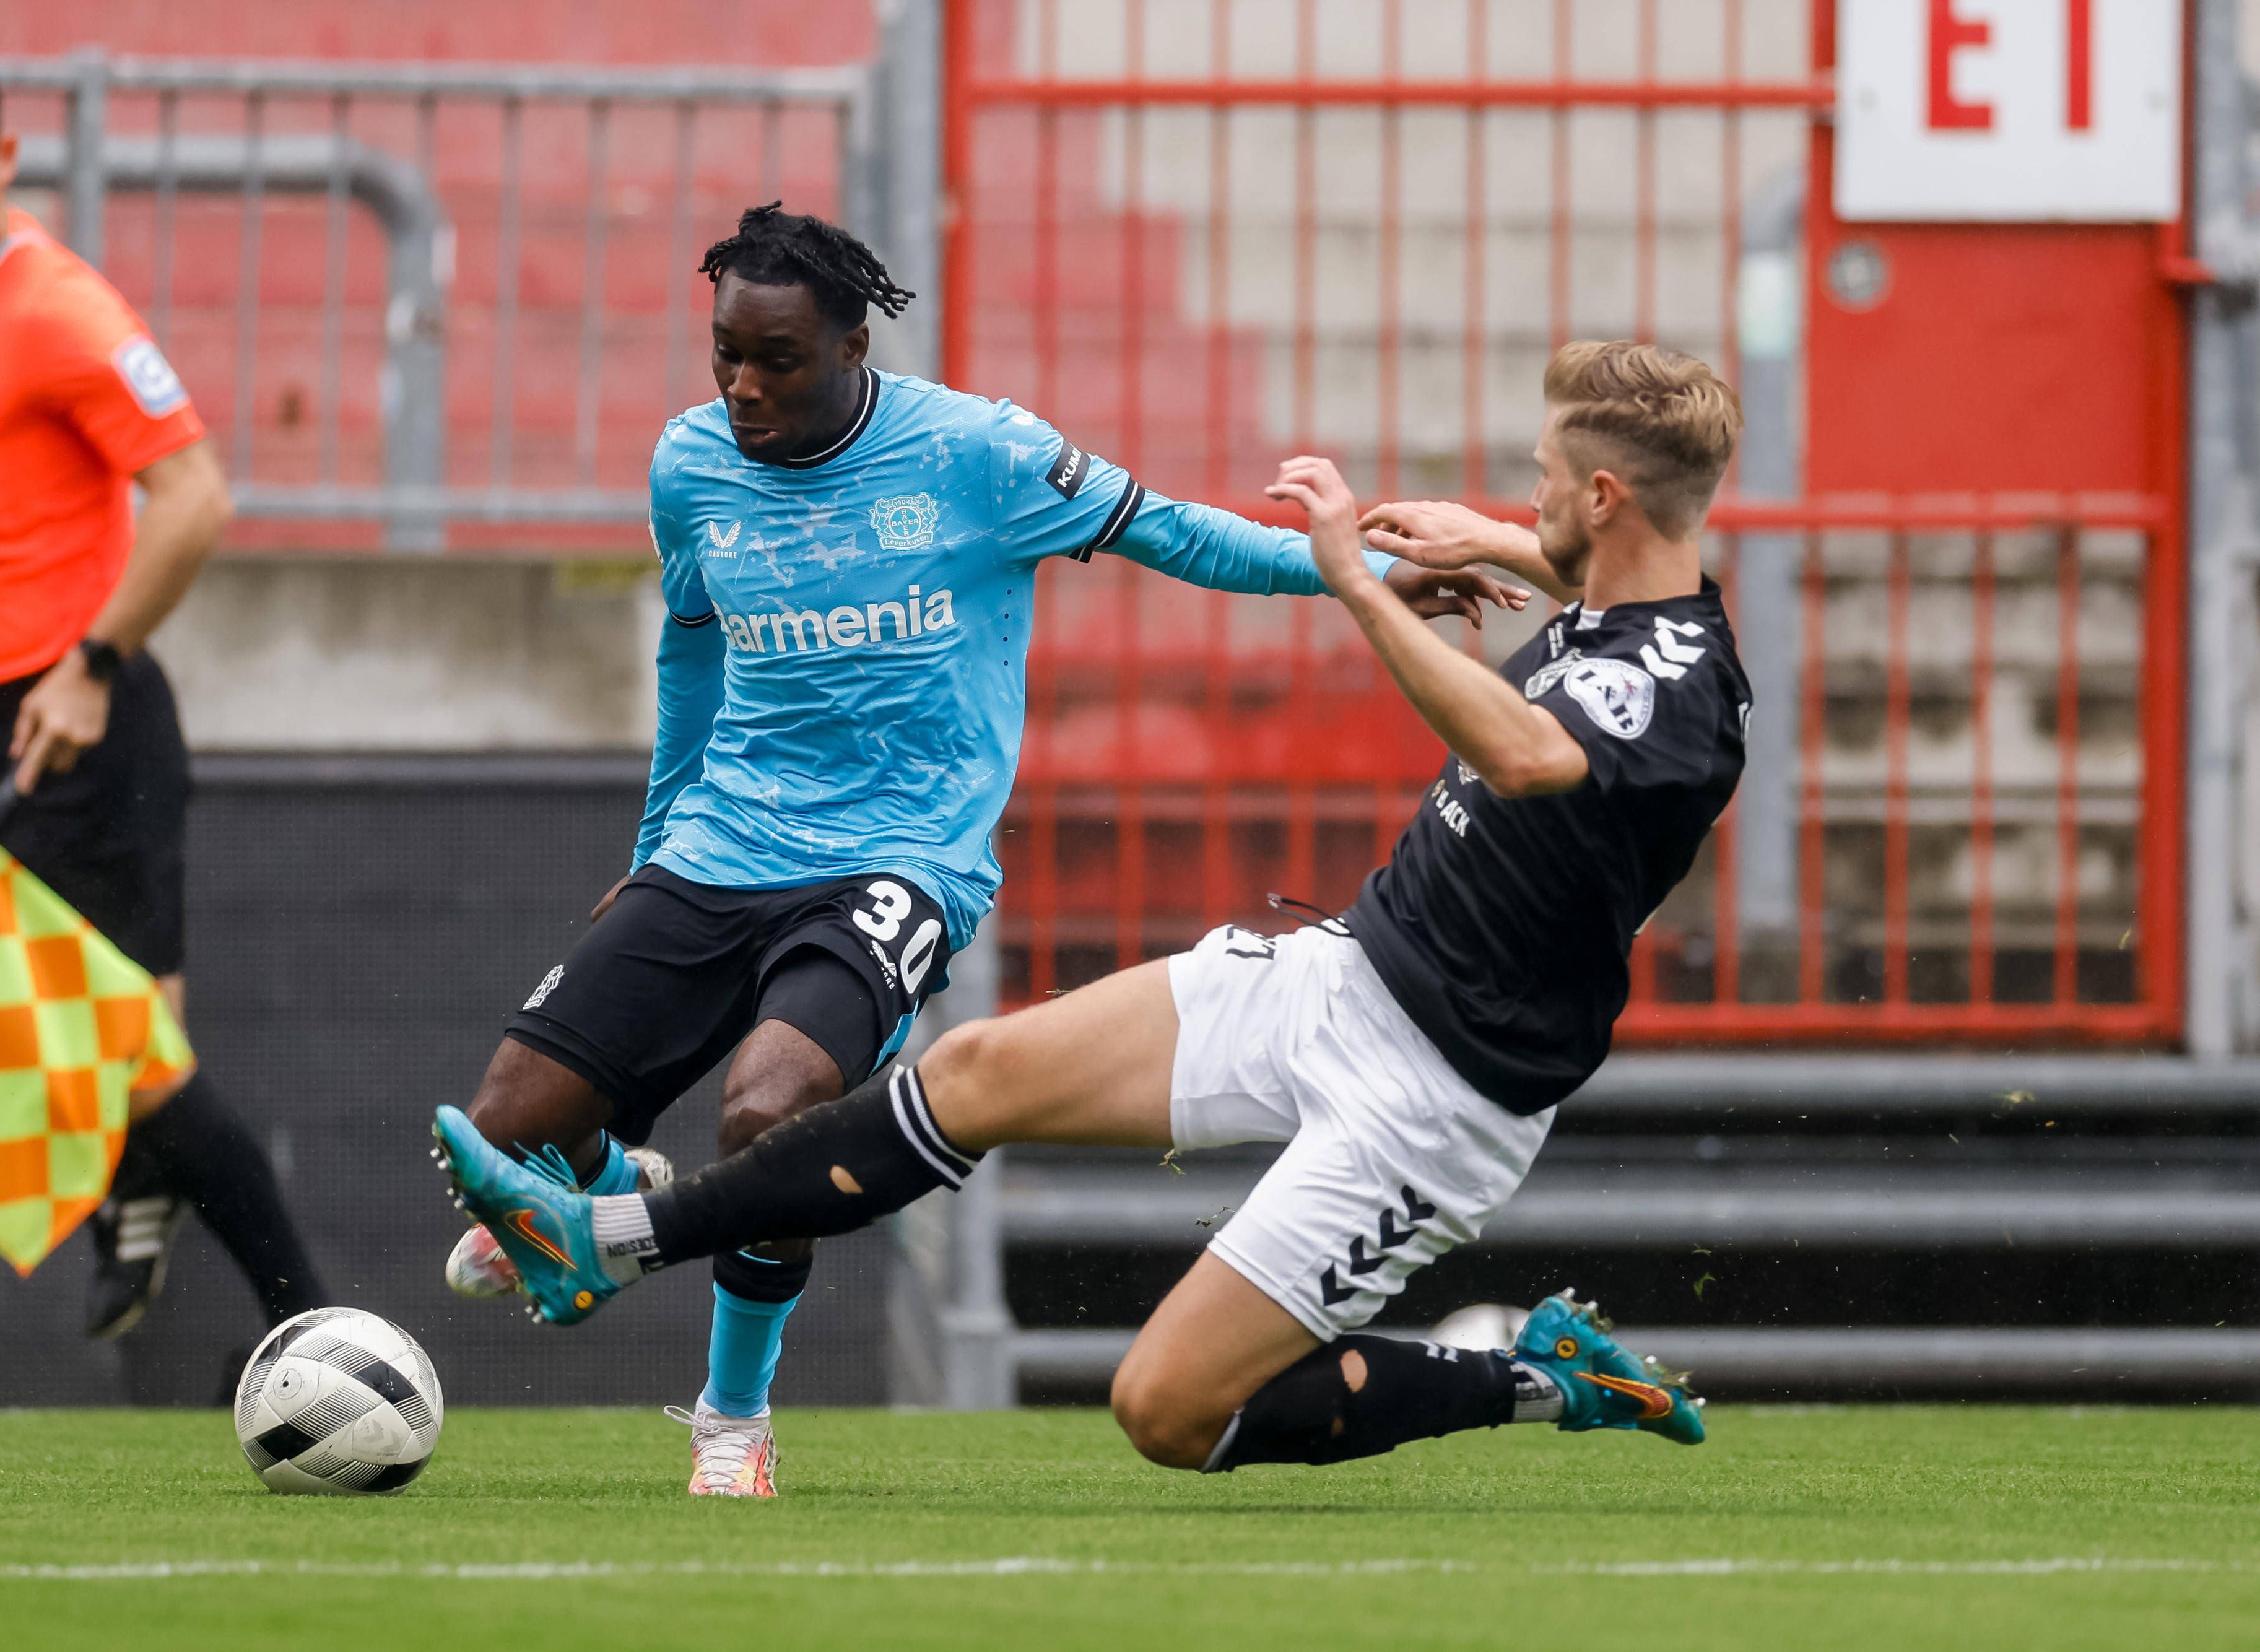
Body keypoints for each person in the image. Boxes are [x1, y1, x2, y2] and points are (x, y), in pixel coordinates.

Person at [435, 339, 1750, 1473]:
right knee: (982, 1066)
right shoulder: (1641, 596)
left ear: (1601, 491)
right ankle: (604, 1237)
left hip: (1442, 1093)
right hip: (1346, 973)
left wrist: (1353, 580)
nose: (1518, 496)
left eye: (1537, 480)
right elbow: (1609, 588)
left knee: (1167, 1409)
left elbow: (1527, 754)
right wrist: (1505, 539)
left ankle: (1528, 1375)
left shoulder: (1672, 695)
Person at [0, 45, 328, 1346]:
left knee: (148, 1069)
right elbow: (14, 517)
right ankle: (115, 1173)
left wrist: (88, 663)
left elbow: (194, 498)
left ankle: (310, 1321)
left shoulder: (56, 307)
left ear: (6, 160)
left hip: (92, 727)